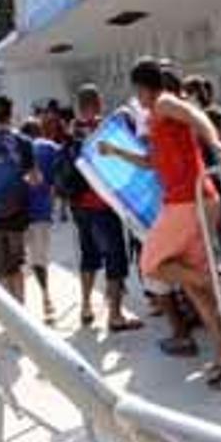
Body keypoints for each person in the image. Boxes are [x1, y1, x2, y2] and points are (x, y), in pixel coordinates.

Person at [101, 60, 221, 387]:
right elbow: (152, 161)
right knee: (192, 287)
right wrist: (116, 151)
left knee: (152, 264)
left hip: (187, 202)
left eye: (137, 92)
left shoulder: (165, 102)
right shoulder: (155, 117)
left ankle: (211, 278)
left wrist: (217, 146)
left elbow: (196, 116)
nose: (137, 98)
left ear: (143, 88)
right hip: (192, 201)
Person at [57, 85, 141, 334]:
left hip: (80, 206)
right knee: (115, 259)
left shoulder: (72, 132)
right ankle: (115, 316)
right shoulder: (105, 128)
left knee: (89, 256)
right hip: (103, 205)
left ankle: (85, 307)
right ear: (98, 102)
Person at [0, 97, 39, 303]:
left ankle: (9, 314)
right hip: (17, 214)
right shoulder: (24, 142)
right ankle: (21, 311)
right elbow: (35, 179)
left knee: (0, 270)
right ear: (12, 114)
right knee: (16, 265)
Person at [21, 118, 62, 323]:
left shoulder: (17, 148)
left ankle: (21, 307)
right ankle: (46, 299)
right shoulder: (50, 147)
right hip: (42, 212)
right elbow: (62, 172)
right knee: (40, 260)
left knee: (22, 263)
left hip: (19, 213)